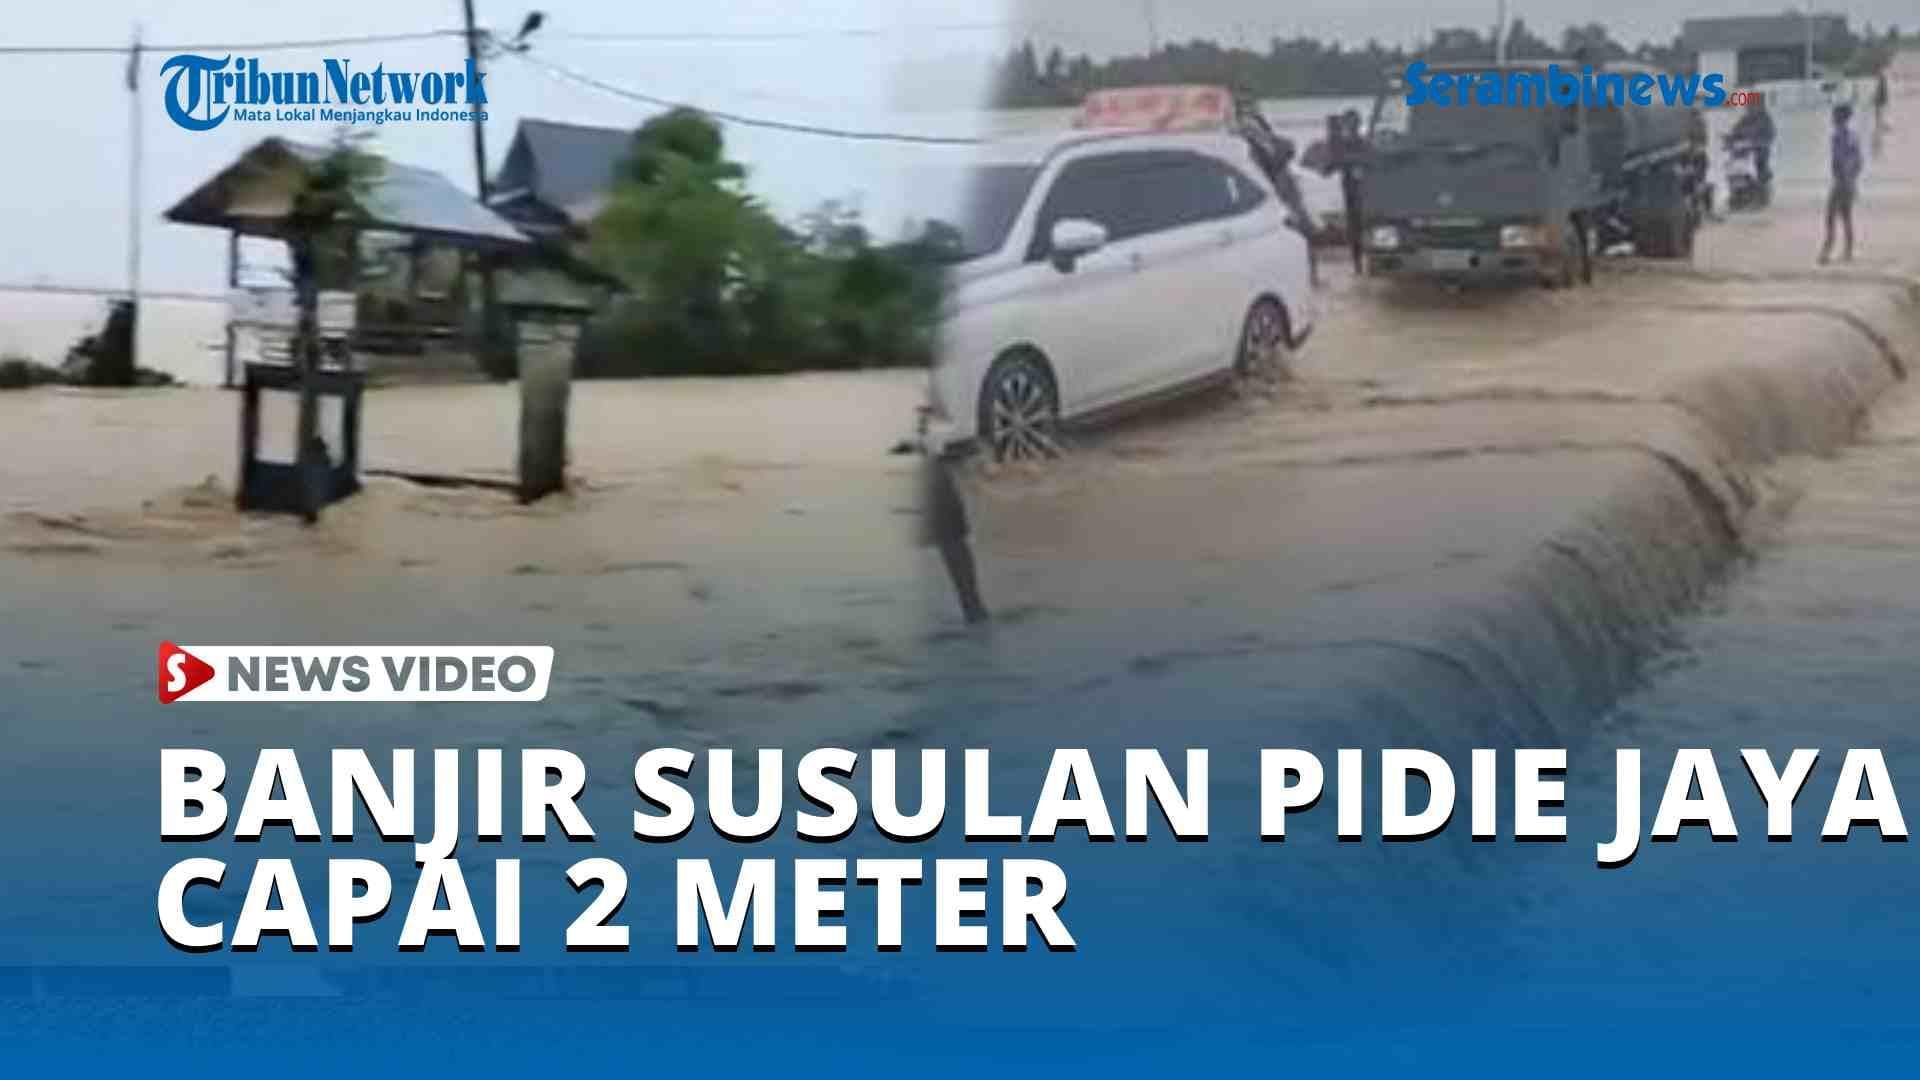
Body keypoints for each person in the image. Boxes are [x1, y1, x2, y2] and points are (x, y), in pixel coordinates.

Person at [1819, 104, 1864, 265]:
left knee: (1831, 217)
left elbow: (1840, 161)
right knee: (1845, 217)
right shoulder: (1852, 135)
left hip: (1842, 182)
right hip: (1848, 181)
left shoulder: (1839, 136)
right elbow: (1858, 161)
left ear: (1839, 118)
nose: (1831, 119)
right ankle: (1848, 251)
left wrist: (1844, 177)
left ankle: (1827, 251)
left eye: (1834, 116)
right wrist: (1852, 178)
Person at [1728, 95, 1775, 189]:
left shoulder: (1765, 119)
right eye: (1750, 105)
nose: (1751, 108)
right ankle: (1735, 180)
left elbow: (1769, 133)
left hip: (1759, 148)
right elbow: (1736, 130)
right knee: (1734, 161)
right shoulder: (1745, 119)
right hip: (1744, 149)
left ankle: (1762, 184)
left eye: (1753, 105)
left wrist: (1762, 141)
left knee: (1760, 162)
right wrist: (1730, 139)